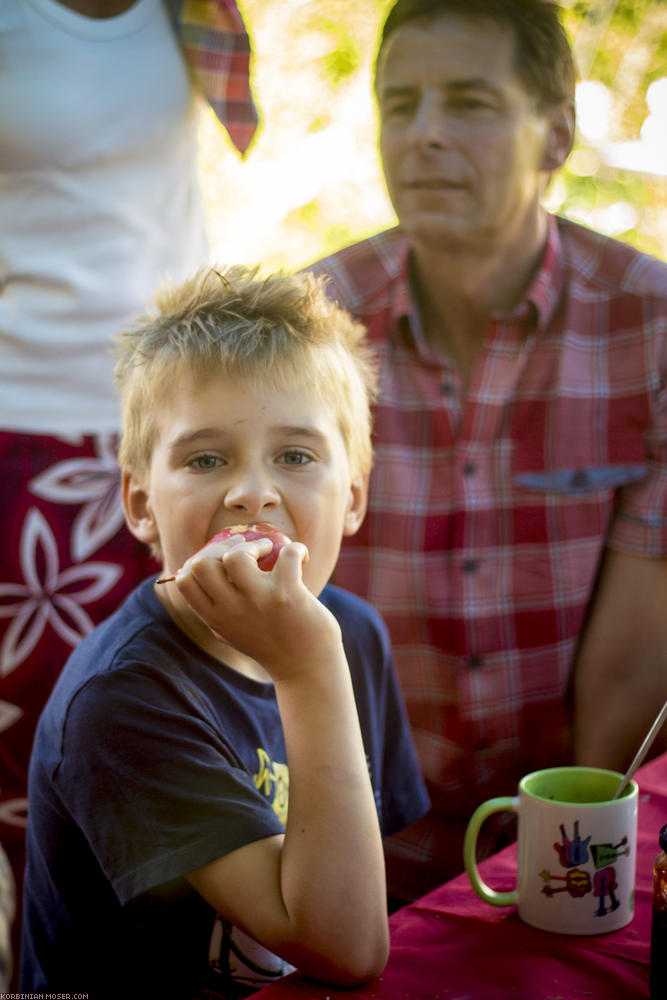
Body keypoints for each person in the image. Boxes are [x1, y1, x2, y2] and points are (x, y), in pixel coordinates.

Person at [306, 0, 667, 903]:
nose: (423, 134)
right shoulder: (308, 331)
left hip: (570, 830)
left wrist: (564, 870)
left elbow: (629, 670)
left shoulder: (648, 326)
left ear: (554, 135)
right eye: (400, 104)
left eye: (467, 102)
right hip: (349, 838)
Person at [20, 266, 429, 997]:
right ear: (141, 505)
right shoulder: (122, 700)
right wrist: (308, 671)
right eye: (205, 459)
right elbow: (344, 947)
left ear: (354, 498)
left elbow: (369, 891)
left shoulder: (351, 634)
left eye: (296, 456)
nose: (251, 493)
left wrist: (317, 661)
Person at [0, 0, 257, 968]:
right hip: (28, 430)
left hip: (178, 428)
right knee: (43, 747)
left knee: (180, 712)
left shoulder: (191, 9)